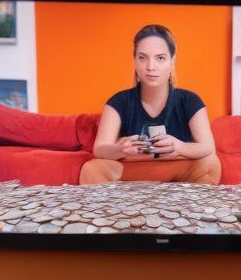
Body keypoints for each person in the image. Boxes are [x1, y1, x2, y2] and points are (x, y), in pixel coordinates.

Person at [80, 24, 222, 186]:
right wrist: (120, 149)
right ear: (135, 60)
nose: (151, 67)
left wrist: (179, 147)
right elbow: (99, 149)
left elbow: (208, 147)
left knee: (211, 163)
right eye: (143, 58)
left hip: (177, 170)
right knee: (91, 169)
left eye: (160, 58)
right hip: (131, 171)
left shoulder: (190, 100)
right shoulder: (118, 102)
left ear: (172, 60)